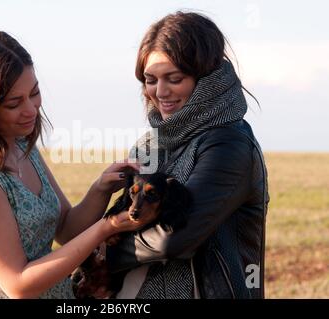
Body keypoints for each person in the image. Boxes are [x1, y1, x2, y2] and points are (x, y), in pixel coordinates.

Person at [0, 29, 149, 299]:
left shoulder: (22, 146)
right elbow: (19, 285)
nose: (32, 110)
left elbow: (68, 229)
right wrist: (107, 228)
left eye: (34, 93)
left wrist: (101, 188)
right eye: (14, 103)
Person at [106, 11, 269, 299]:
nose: (160, 92)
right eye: (150, 80)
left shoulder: (229, 145)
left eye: (174, 78)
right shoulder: (149, 145)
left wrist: (99, 248)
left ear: (208, 79)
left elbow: (173, 238)